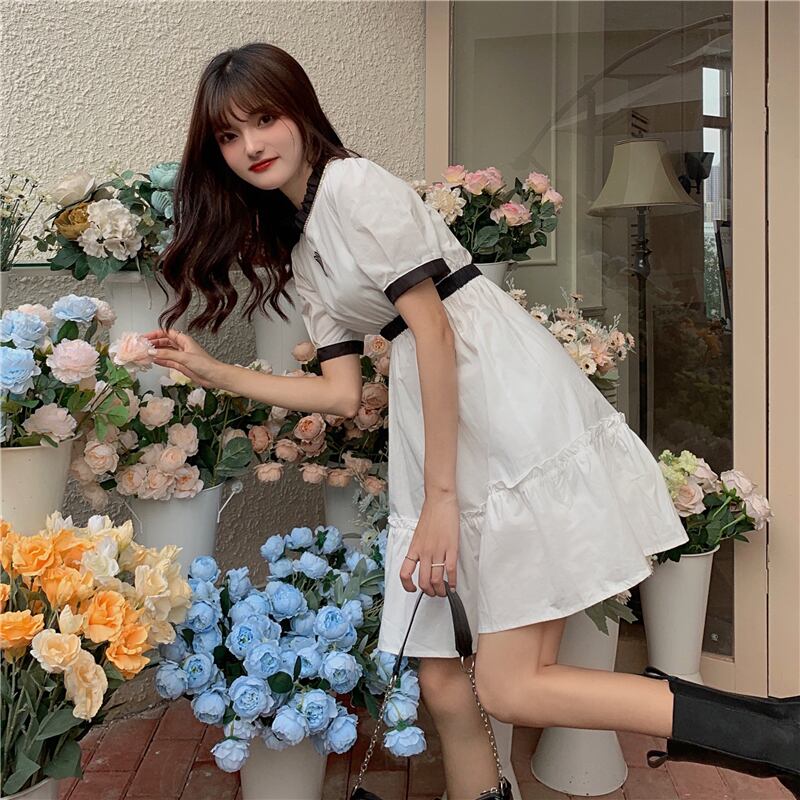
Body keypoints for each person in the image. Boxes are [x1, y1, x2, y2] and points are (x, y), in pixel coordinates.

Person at [144, 42, 799, 799]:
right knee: (442, 677)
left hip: (498, 404)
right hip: (445, 422)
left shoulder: (354, 185)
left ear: (300, 113)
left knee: (511, 687)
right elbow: (340, 394)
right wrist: (213, 371)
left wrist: (441, 502)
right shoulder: (307, 239)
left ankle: (779, 736)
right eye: (229, 135)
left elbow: (435, 331)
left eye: (264, 119)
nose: (252, 145)